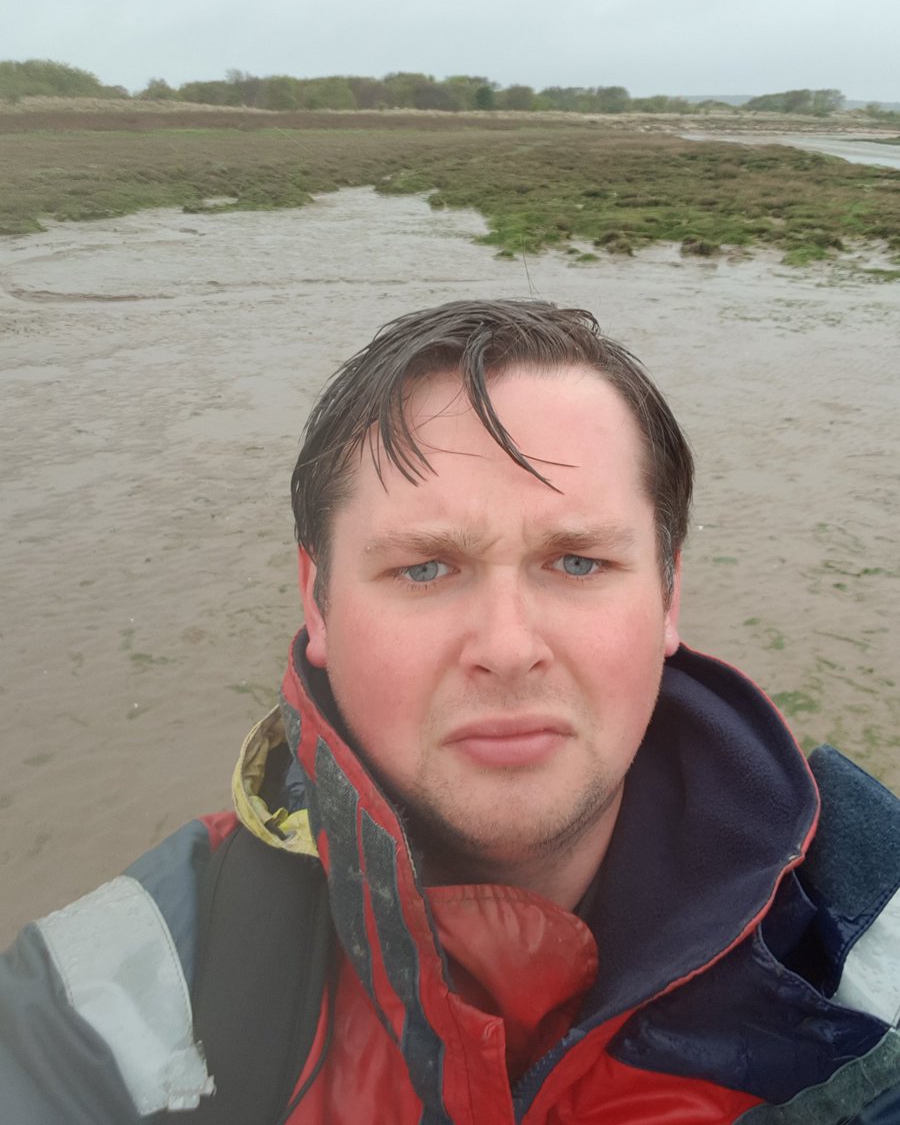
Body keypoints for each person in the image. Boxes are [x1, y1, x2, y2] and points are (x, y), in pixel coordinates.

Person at [1, 300, 898, 1124]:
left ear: (667, 596)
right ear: (317, 605)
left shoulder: (867, 948)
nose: (507, 647)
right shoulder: (109, 1003)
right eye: (425, 568)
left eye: (577, 561)